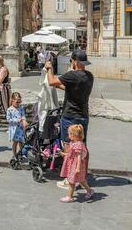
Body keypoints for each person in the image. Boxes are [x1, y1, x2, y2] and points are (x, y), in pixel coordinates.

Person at [45, 49, 94, 190]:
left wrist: (50, 68)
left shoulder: (72, 75)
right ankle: (82, 175)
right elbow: (68, 88)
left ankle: (70, 179)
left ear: (75, 61)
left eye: (72, 60)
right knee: (82, 146)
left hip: (70, 116)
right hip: (83, 115)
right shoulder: (89, 76)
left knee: (69, 147)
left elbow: (51, 81)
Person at [59, 124, 94, 203]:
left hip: (76, 165)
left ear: (74, 135)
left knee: (71, 182)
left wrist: (77, 168)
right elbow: (72, 154)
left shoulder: (78, 145)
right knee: (81, 180)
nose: (68, 135)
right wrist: (64, 154)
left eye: (70, 134)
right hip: (74, 164)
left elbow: (78, 157)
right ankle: (89, 190)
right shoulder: (74, 142)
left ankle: (69, 197)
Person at [6, 92, 27, 158]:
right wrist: (17, 120)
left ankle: (22, 154)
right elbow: (8, 120)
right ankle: (15, 155)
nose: (18, 104)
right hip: (14, 129)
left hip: (20, 128)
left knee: (21, 142)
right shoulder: (9, 110)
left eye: (19, 102)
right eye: (17, 102)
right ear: (12, 100)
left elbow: (23, 115)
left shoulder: (21, 108)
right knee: (15, 143)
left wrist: (24, 120)